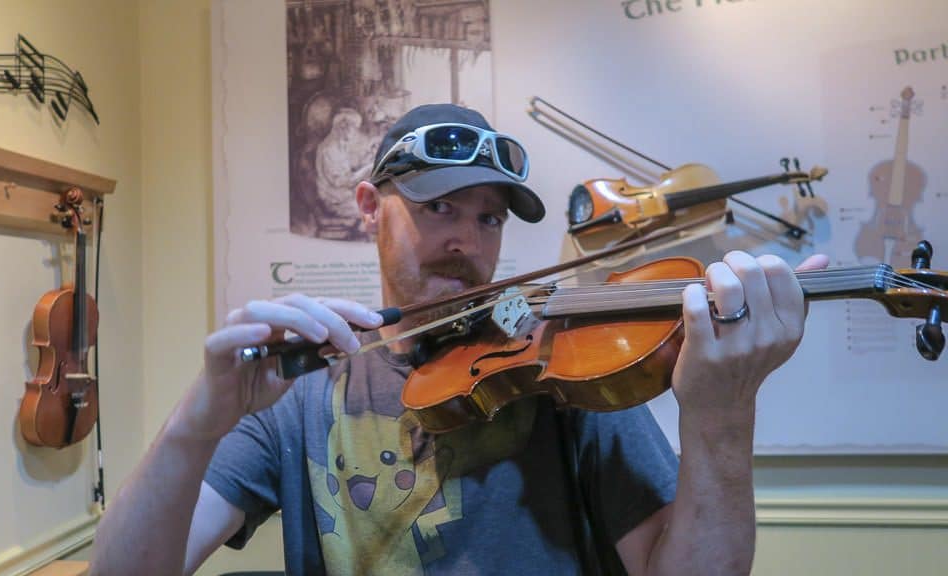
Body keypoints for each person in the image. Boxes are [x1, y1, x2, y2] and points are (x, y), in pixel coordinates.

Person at [90, 104, 828, 575]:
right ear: (368, 208)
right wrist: (197, 422)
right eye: (438, 206)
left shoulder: (562, 374)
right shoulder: (305, 385)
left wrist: (722, 415)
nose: (464, 241)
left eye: (489, 218)